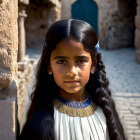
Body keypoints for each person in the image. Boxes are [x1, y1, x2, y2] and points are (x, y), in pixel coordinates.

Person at [19, 19, 126, 140]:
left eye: (81, 61)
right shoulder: (40, 123)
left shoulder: (105, 114)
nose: (71, 72)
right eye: (61, 61)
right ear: (49, 65)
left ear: (93, 65)